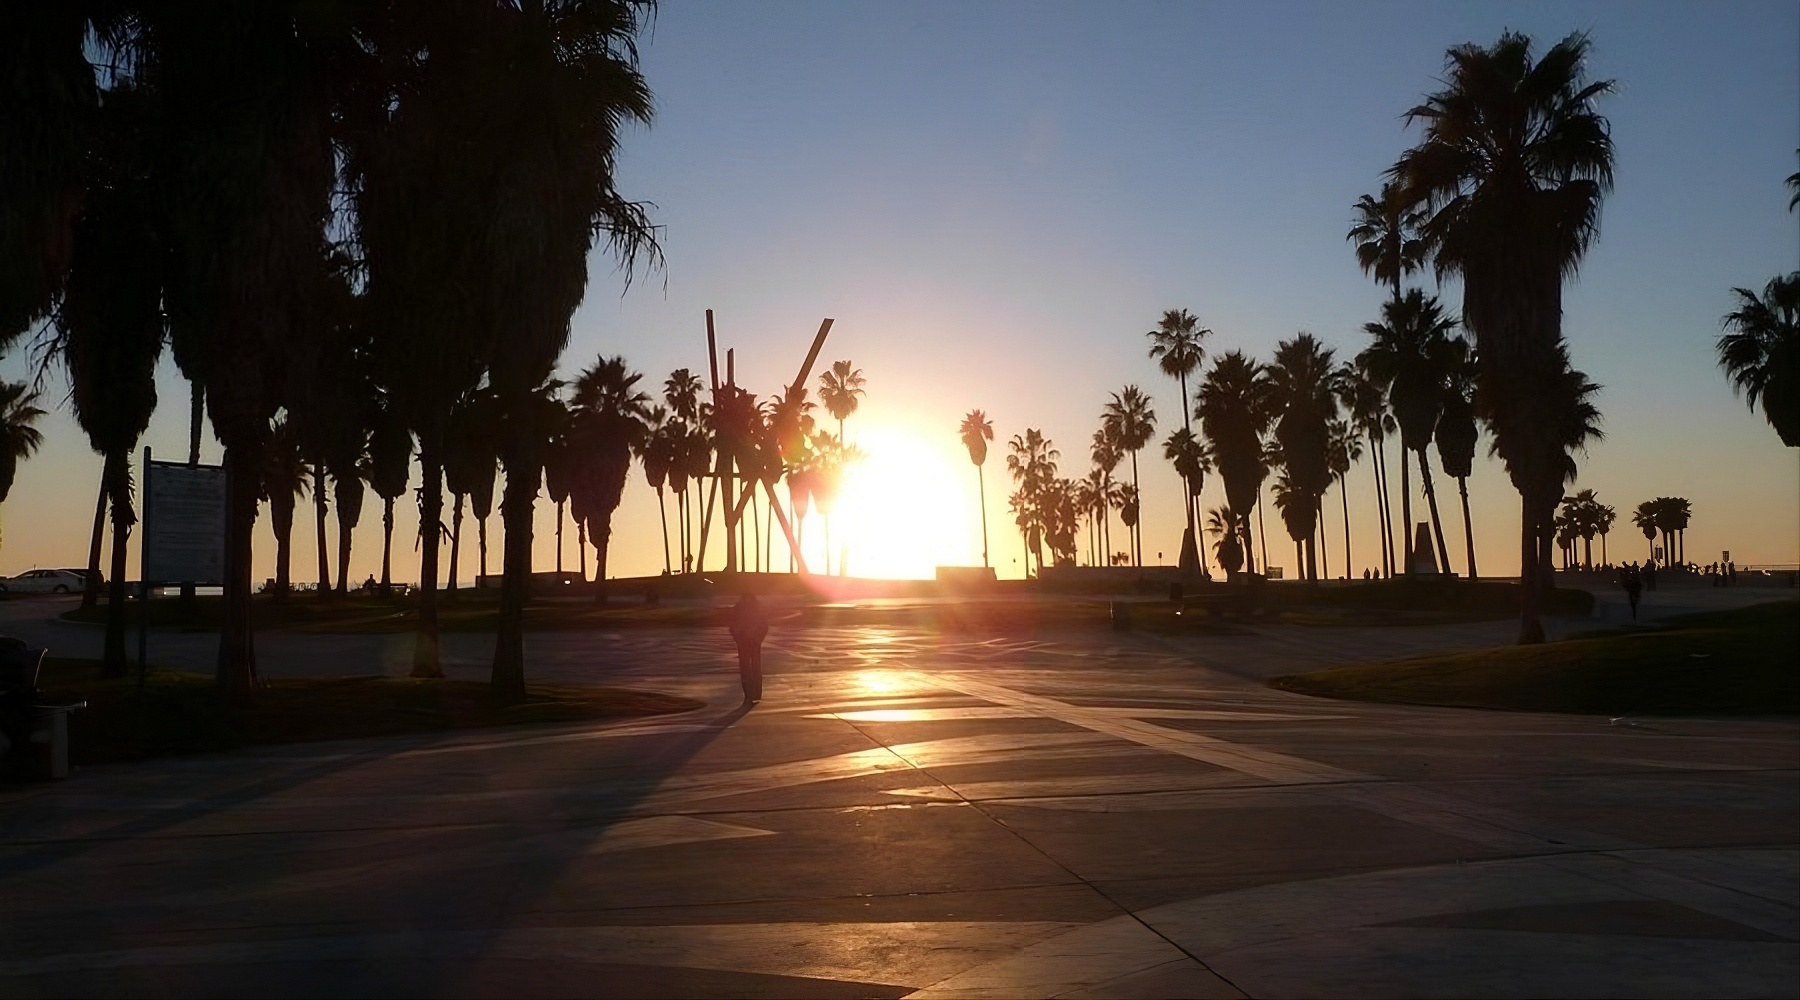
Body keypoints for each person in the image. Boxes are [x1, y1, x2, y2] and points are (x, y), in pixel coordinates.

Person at [729, 590, 769, 703]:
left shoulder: (739, 608)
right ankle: (753, 693)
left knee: (748, 667)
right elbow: (764, 625)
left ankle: (751, 693)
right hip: (749, 641)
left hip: (747, 641)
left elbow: (732, 625)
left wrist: (737, 637)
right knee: (752, 667)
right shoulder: (756, 607)